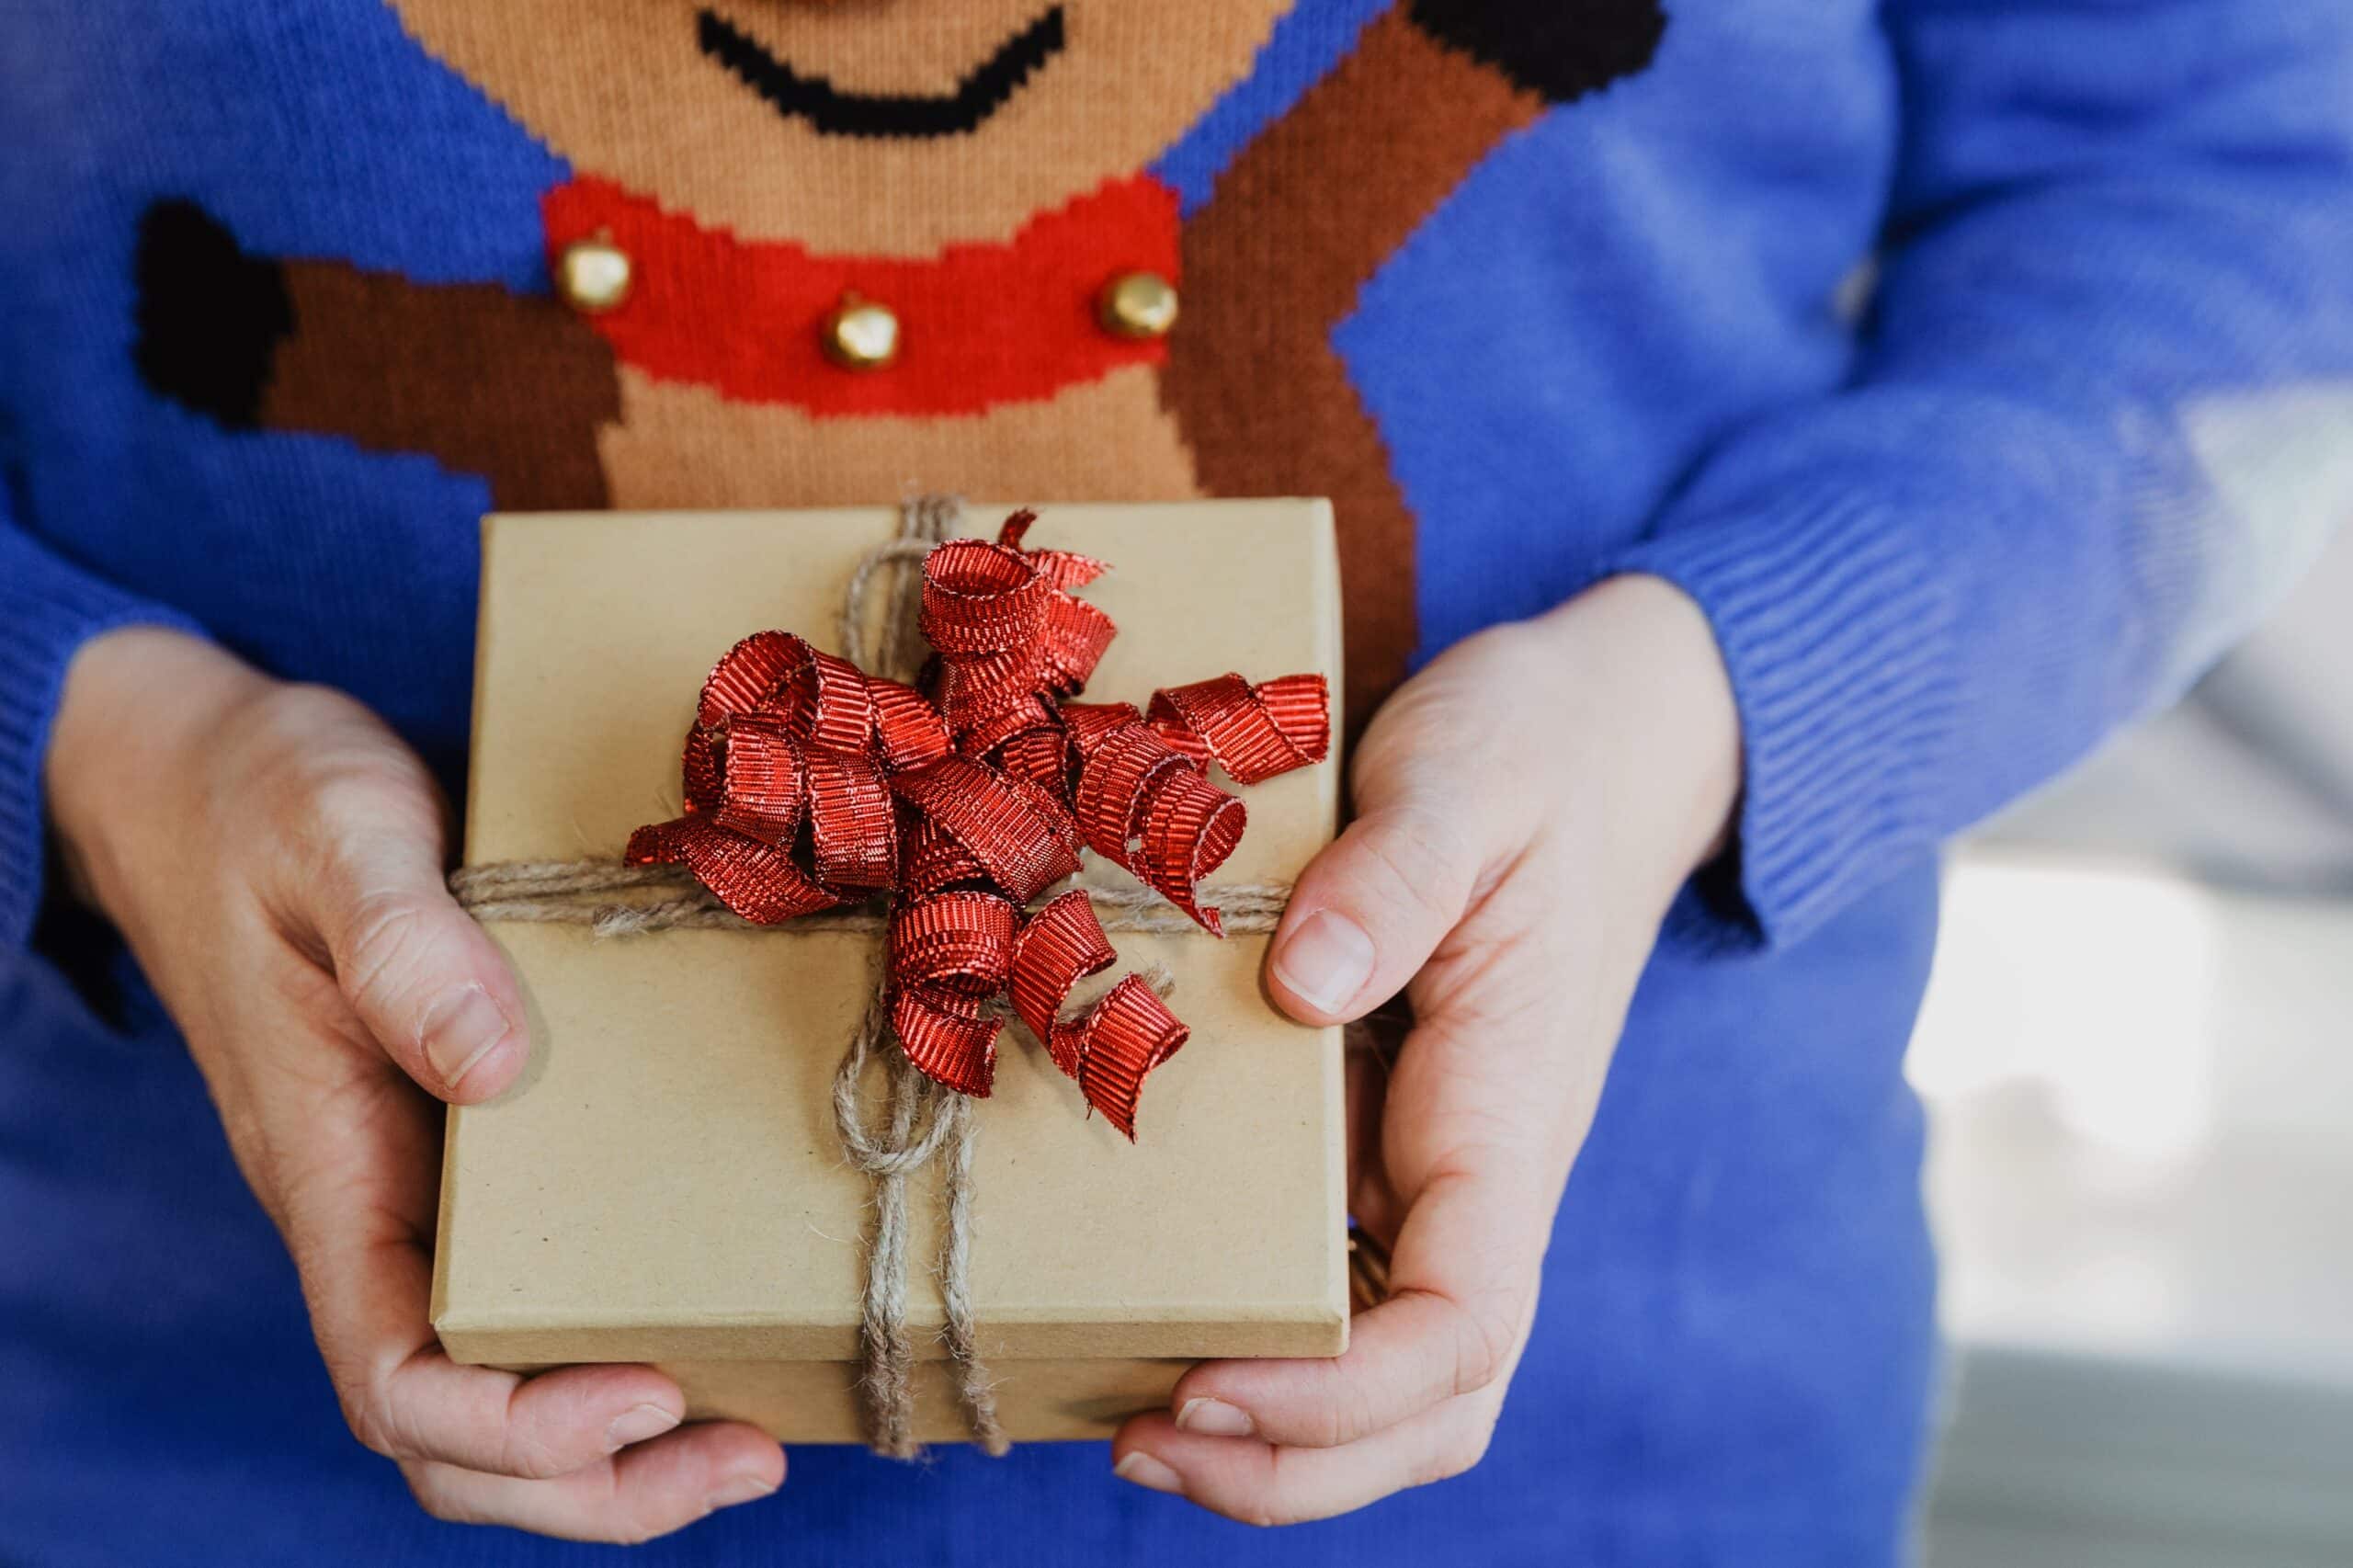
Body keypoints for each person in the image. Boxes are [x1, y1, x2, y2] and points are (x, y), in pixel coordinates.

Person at [4, 1, 2348, 1561]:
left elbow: (2247, 210)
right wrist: (87, 743)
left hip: (1606, 1437)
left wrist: (1730, 694)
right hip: (195, 1428)